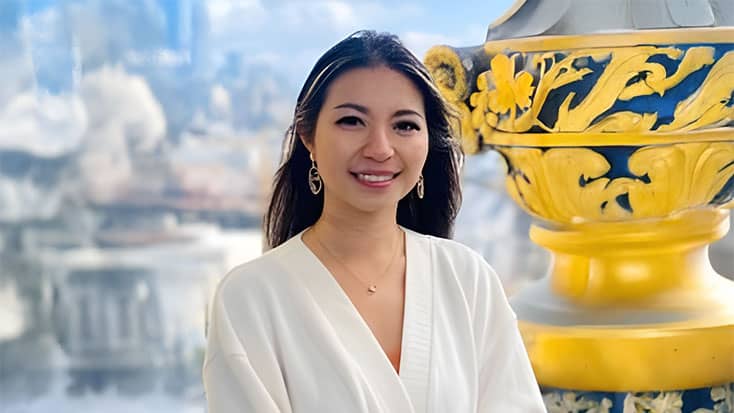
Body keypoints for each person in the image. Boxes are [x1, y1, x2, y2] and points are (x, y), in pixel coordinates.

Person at [202, 30, 545, 412]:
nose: (380, 149)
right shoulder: (250, 298)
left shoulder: (467, 280)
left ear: (428, 139)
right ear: (308, 136)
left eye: (405, 125)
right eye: (352, 121)